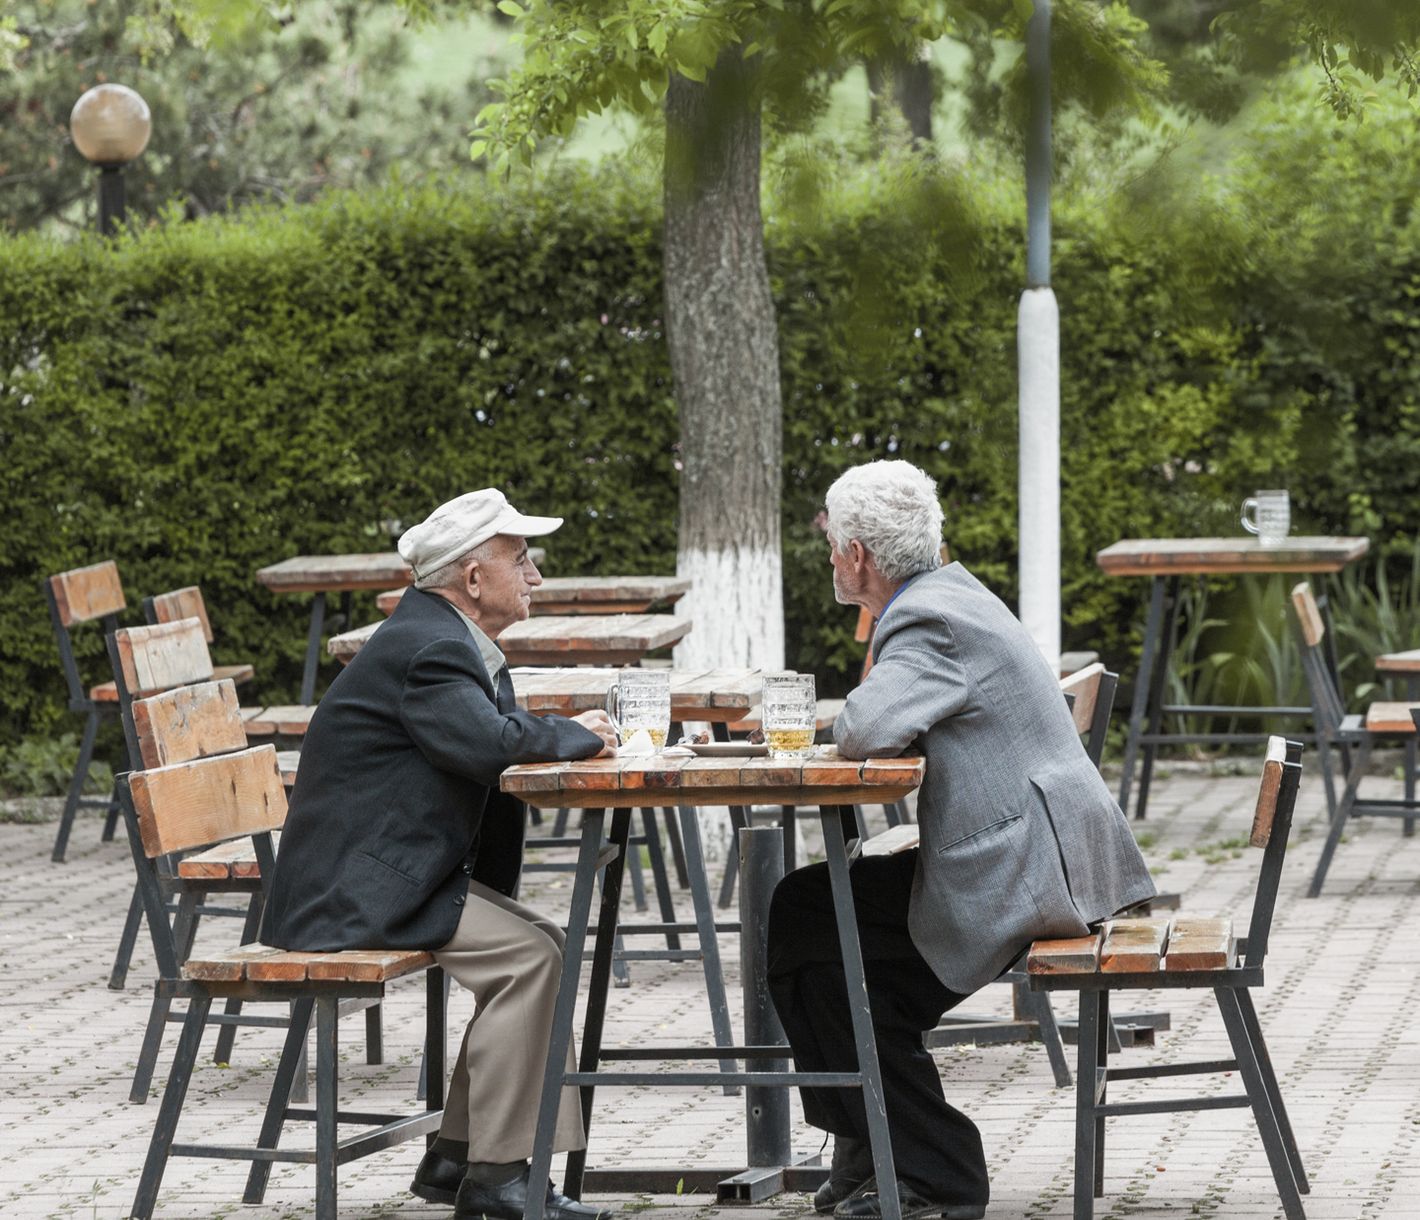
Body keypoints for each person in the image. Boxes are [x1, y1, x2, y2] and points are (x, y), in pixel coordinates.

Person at [766, 460, 1156, 1220]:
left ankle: (935, 1174)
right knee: (814, 917)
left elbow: (866, 729)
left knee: (828, 938)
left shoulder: (925, 617)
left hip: (1027, 874)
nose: (832, 560)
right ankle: (872, 1147)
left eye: (834, 547)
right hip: (1035, 852)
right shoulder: (951, 596)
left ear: (859, 558)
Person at [262, 489, 619, 1220]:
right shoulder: (431, 647)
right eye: (521, 560)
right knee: (533, 956)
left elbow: (493, 732)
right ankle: (496, 1180)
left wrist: (559, 730)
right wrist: (576, 734)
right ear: (472, 578)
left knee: (539, 943)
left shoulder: (442, 636)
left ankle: (460, 1157)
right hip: (352, 890)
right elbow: (488, 744)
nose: (536, 577)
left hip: (382, 873)